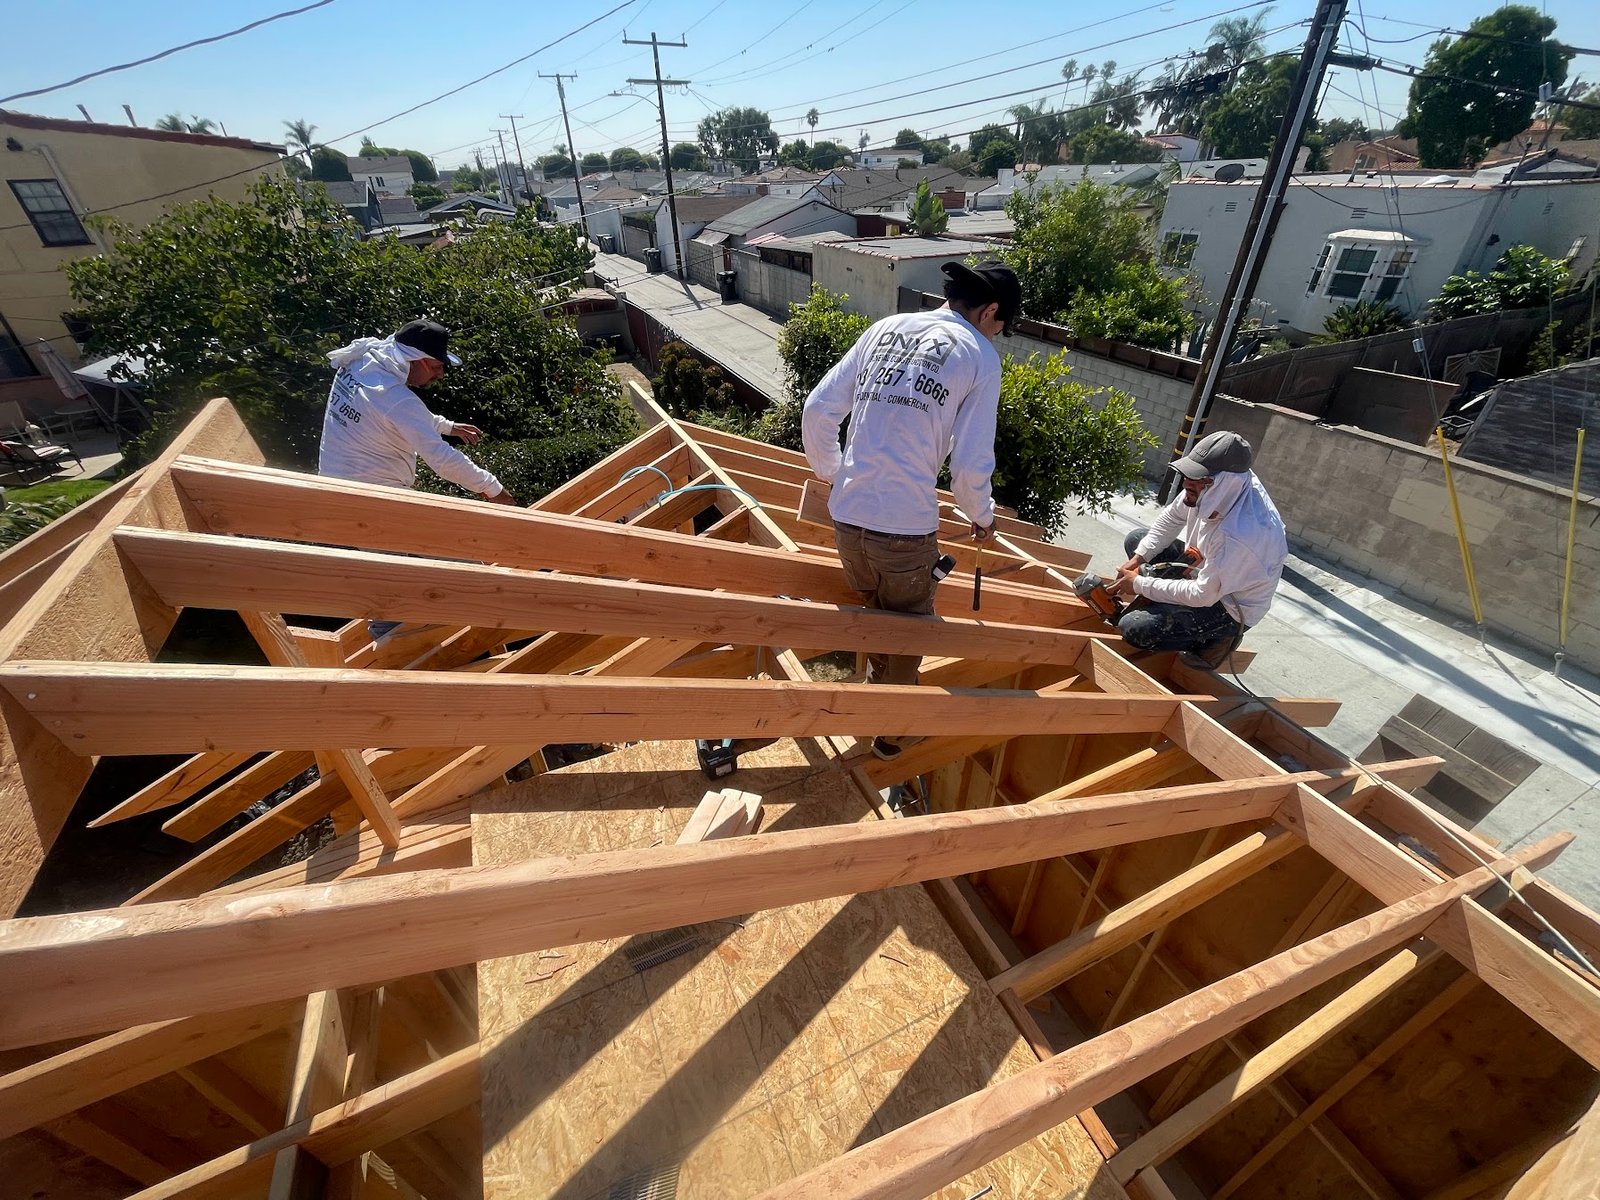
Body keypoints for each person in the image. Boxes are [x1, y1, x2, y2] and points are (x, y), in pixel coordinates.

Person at [802, 259, 1020, 761]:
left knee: (877, 616)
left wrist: (834, 474)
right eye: (1000, 325)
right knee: (906, 634)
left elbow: (818, 410)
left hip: (848, 520)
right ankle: (889, 736)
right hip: (904, 530)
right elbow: (969, 466)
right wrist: (982, 517)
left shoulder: (886, 328)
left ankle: (877, 702)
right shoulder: (979, 357)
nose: (997, 333)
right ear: (990, 311)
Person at [318, 318, 518, 642]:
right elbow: (441, 459)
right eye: (438, 367)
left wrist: (448, 425)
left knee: (431, 562)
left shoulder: (366, 360)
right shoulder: (394, 397)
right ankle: (389, 658)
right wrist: (492, 489)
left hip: (342, 487)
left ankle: (412, 638)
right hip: (370, 501)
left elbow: (399, 417)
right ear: (419, 361)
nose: (440, 375)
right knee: (413, 578)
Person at [1108, 430, 1287, 663]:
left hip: (1229, 606)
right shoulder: (1213, 486)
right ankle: (1167, 601)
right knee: (1137, 540)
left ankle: (1215, 641)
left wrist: (1140, 584)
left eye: (1195, 479)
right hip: (1208, 569)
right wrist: (1137, 560)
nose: (1186, 484)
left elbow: (1204, 594)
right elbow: (1171, 518)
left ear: (1223, 483)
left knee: (1136, 628)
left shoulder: (1241, 535)